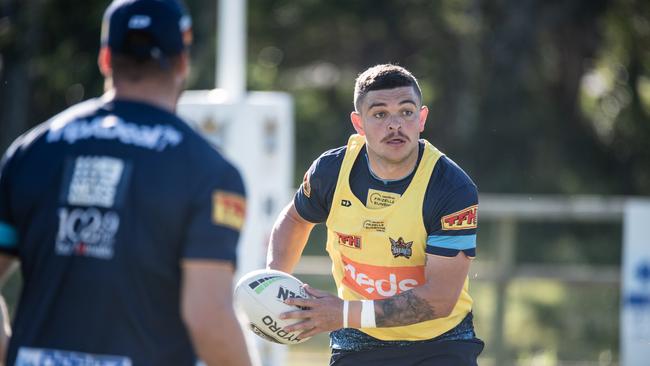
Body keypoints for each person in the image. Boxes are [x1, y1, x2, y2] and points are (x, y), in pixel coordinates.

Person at [0, 0, 252, 365]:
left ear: (105, 58)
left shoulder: (32, 150)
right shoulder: (207, 169)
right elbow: (208, 318)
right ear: (182, 62)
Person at [266, 64, 484, 365]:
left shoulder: (451, 187)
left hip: (440, 341)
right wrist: (274, 281)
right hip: (359, 338)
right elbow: (295, 219)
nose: (395, 124)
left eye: (406, 112)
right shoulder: (330, 172)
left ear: (421, 119)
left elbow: (440, 298)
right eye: (380, 114)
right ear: (359, 124)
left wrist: (342, 313)